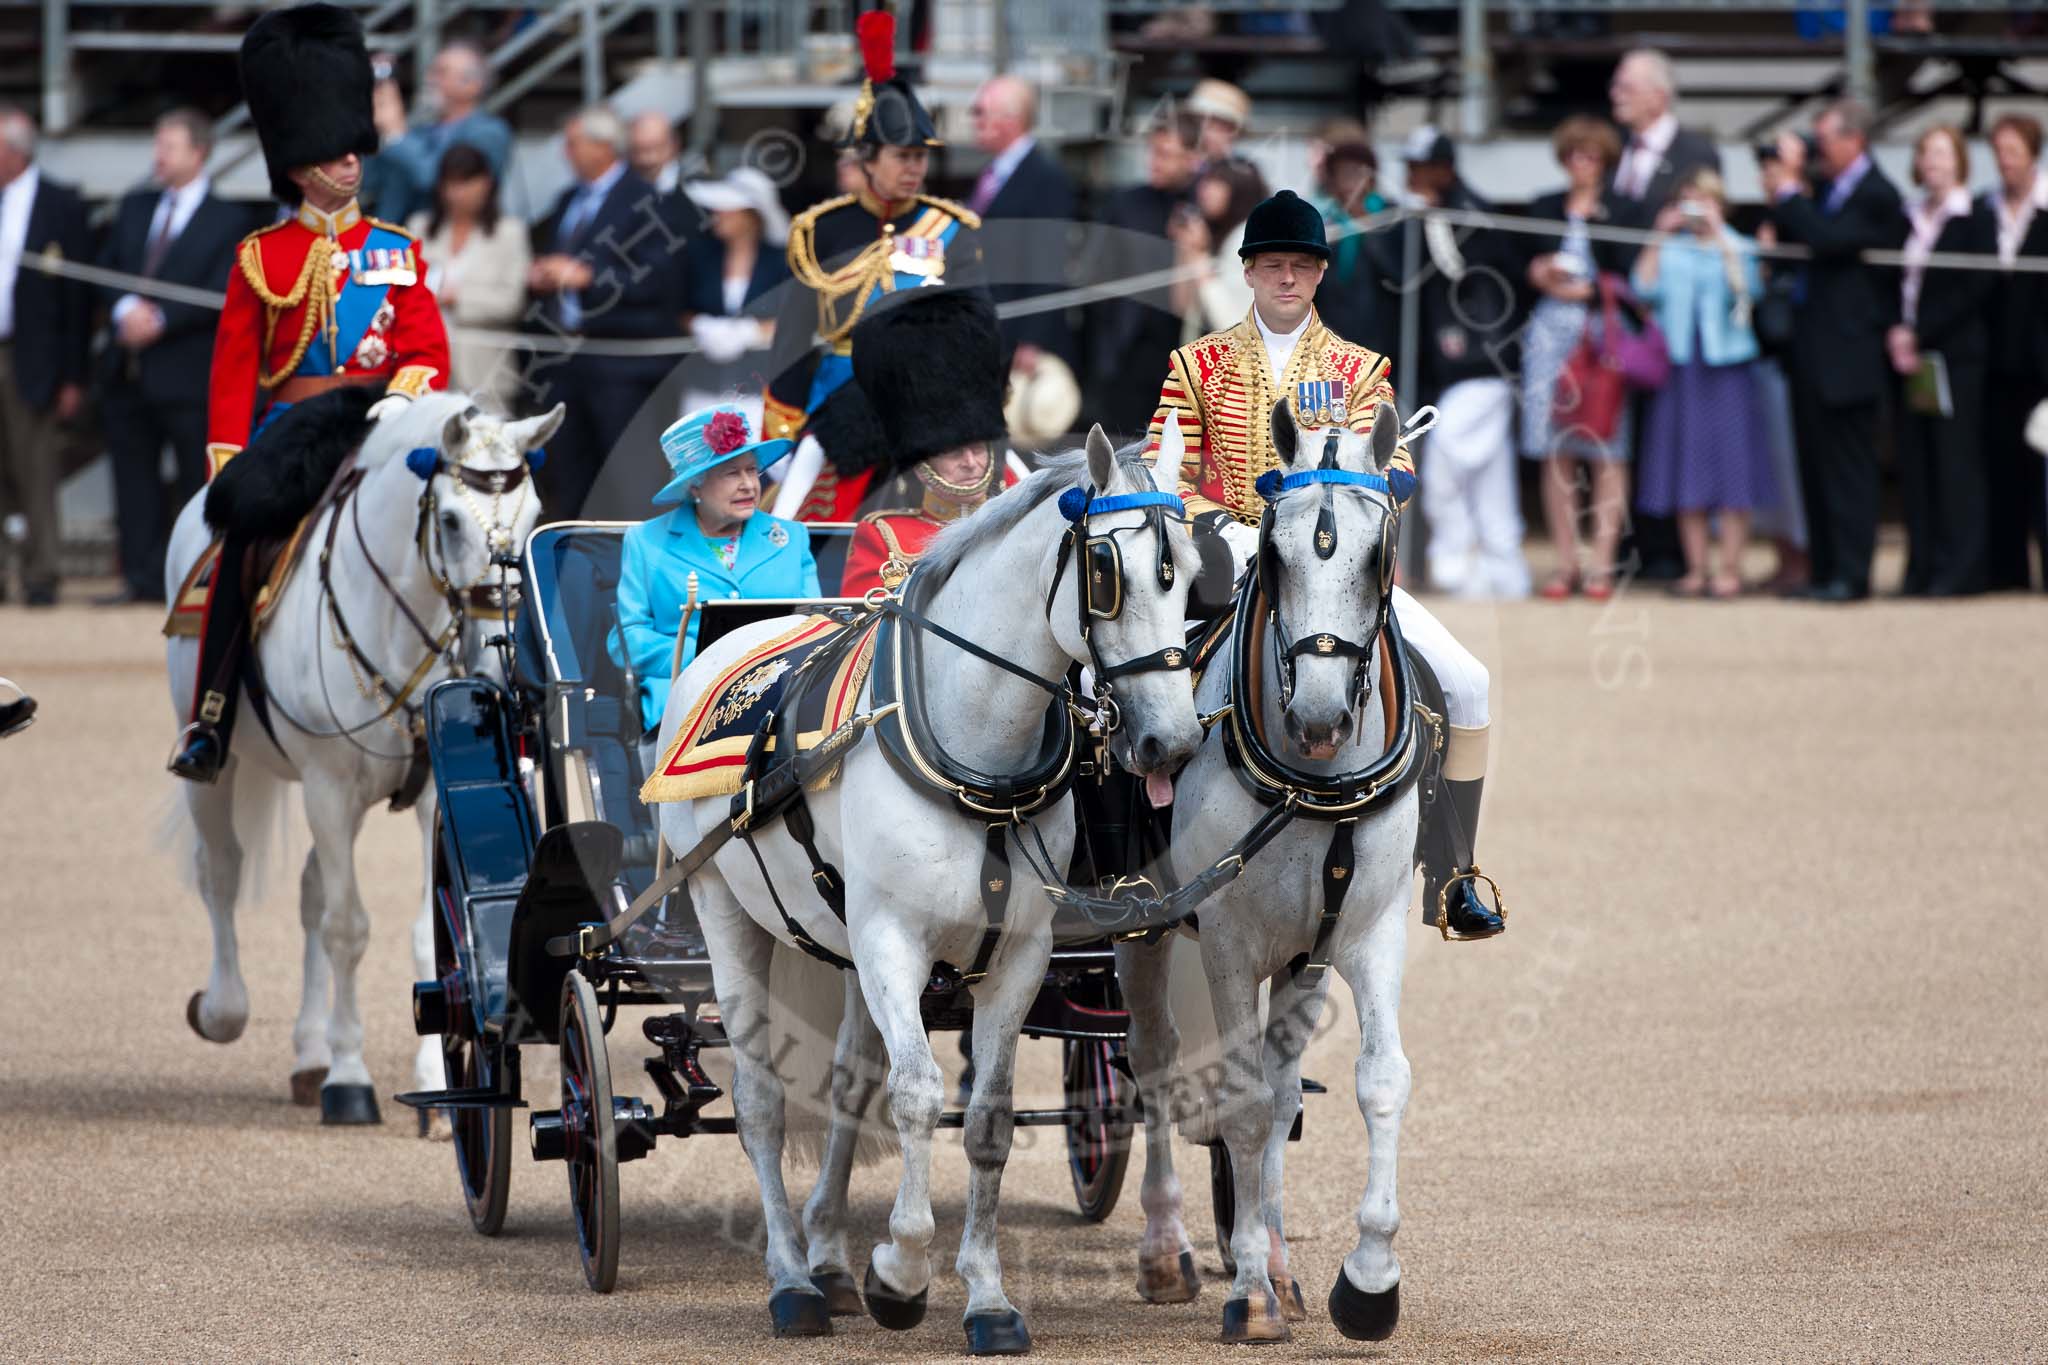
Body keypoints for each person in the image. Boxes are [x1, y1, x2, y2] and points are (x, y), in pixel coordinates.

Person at [1146, 188, 1505, 941]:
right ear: (1246, 272)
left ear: (1318, 275)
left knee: (1468, 683)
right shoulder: (1196, 363)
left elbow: (1398, 460)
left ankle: (1453, 874)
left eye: (1300, 266)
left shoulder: (1359, 367)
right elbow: (1164, 474)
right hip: (1227, 559)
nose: (1286, 279)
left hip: (1334, 572)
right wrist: (1226, 530)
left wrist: (1367, 496)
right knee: (1128, 690)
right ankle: (1141, 863)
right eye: (1272, 265)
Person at [169, 3, 452, 784]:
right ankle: (213, 717)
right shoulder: (261, 257)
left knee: (453, 536)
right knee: (242, 546)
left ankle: (453, 714)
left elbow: (427, 348)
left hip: (377, 420)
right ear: (299, 166)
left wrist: (399, 402)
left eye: (354, 148)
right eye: (334, 153)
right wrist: (229, 465)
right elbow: (232, 373)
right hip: (292, 429)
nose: (352, 163)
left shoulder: (396, 250)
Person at [762, 9, 984, 522]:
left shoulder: (954, 229)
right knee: (792, 518)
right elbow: (794, 343)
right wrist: (785, 430)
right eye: (901, 155)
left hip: (934, 406)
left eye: (920, 156)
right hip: (838, 407)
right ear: (866, 158)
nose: (915, 168)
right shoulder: (820, 231)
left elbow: (979, 333)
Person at [1365, 126, 1527, 599]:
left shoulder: (1475, 215)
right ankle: (1505, 574)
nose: (1413, 177)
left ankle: (1456, 565)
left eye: (1421, 168)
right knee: (1491, 481)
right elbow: (1401, 274)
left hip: (1484, 366)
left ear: (1445, 168)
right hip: (1451, 371)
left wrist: (1432, 222)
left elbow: (1461, 271)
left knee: (1444, 469)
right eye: (1409, 168)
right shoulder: (1418, 216)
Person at [95, 109, 246, 607]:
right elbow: (110, 265)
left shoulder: (230, 218)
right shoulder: (136, 206)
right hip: (129, 370)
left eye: (169, 146)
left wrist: (160, 319)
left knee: (191, 480)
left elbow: (219, 288)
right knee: (132, 479)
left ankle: (191, 579)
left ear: (198, 153)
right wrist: (123, 310)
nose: (158, 156)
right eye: (157, 145)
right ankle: (138, 577)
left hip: (187, 372)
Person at [1763, 98, 1906, 603]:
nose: (1815, 151)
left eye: (1822, 141)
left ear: (1854, 141)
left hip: (1850, 356)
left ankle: (1851, 573)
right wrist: (1787, 191)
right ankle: (1823, 571)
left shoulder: (1877, 194)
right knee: (1815, 465)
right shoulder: (1823, 189)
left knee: (1850, 469)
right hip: (1810, 352)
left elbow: (1828, 241)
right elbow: (1791, 236)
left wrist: (1789, 190)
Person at [608, 403, 813, 736]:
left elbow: (817, 623)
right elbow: (626, 638)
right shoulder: (646, 542)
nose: (749, 485)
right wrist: (704, 658)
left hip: (784, 697)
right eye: (732, 473)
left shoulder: (791, 538)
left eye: (752, 471)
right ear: (695, 486)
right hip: (685, 700)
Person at [526, 105, 685, 517]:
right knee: (568, 472)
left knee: (626, 475)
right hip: (567, 358)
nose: (566, 152)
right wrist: (547, 273)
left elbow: (658, 279)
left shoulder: (646, 200)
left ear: (602, 147)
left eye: (574, 143)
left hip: (622, 363)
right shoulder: (568, 200)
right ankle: (573, 563)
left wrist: (590, 277)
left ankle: (633, 566)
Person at [1631, 169, 1776, 599]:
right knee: (1686, 467)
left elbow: (1749, 290)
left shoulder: (1740, 245)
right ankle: (1696, 568)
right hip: (1679, 367)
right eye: (1687, 201)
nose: (1693, 209)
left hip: (1727, 366)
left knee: (1734, 466)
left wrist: (1722, 237)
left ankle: (1730, 568)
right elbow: (1643, 287)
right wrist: (1658, 236)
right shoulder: (1671, 249)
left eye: (1702, 200)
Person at [1607, 47, 1721, 585]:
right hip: (1622, 318)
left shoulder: (1697, 151)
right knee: (1626, 434)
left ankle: (1676, 553)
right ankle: (1642, 548)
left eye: (1626, 86)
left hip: (1674, 326)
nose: (1616, 95)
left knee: (1676, 436)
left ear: (1659, 93)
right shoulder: (1617, 155)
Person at [834, 290, 1014, 595]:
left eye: (979, 448)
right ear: (921, 466)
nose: (971, 462)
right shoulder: (885, 537)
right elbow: (866, 633)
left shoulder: (1019, 519)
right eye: (954, 451)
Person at [1521, 115, 1630, 599]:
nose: (1581, 165)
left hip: (1602, 334)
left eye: (1590, 156)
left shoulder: (1621, 210)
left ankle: (1602, 565)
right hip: (1550, 334)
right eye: (1573, 155)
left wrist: (1595, 290)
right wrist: (1539, 272)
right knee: (1555, 448)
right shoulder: (1543, 206)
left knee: (1608, 446)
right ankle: (1566, 563)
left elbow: (1633, 276)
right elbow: (1516, 263)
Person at [1891, 126, 1994, 597]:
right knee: (1918, 462)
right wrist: (1899, 332)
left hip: (1955, 355)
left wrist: (1919, 332)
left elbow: (1974, 291)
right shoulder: (1909, 216)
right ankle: (1923, 565)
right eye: (1925, 152)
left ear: (1959, 161)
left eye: (1941, 152)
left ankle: (1962, 567)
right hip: (1911, 359)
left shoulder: (1974, 217)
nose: (1931, 161)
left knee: (1957, 463)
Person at [0, 104, 90, 609]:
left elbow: (77, 303)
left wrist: (73, 375)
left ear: (14, 151)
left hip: (32, 357)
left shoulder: (60, 204)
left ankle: (42, 574)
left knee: (35, 468)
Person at [1083, 112, 1199, 440]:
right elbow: (1096, 273)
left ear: (1191, 158)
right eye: (1153, 152)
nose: (1155, 162)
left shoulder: (1204, 203)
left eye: (1166, 154)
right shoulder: (1126, 204)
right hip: (1129, 350)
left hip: (1185, 349)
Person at [967, 74, 1079, 375]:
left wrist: (1033, 339)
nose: (973, 120)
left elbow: (1049, 259)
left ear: (1011, 119)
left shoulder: (1044, 177)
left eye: (981, 111)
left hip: (1018, 337)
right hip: (988, 328)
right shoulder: (993, 172)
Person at [408, 142, 530, 411]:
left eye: (465, 183)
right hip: (427, 368)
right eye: (450, 184)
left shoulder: (509, 232)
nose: (457, 193)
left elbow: (511, 302)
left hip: (485, 375)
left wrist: (457, 297)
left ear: (486, 183)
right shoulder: (420, 227)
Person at [1981, 113, 2048, 591]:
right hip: (1997, 361)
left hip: (2041, 363)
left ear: (2033, 156)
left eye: (2013, 153)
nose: (2005, 162)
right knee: (2002, 467)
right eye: (2000, 153)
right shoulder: (1986, 210)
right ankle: (2007, 572)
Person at [365, 39, 513, 226]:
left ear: (472, 85)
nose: (430, 79)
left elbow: (439, 180)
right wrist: (371, 126)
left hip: (447, 242)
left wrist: (396, 134)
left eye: (441, 72)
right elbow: (368, 180)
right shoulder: (419, 132)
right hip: (392, 240)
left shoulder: (489, 132)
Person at [1177, 157, 1269, 335]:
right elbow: (1183, 307)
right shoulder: (1214, 235)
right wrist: (1187, 250)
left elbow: (1230, 323)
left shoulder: (1248, 239)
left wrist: (1199, 258)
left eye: (1218, 182)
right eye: (1205, 181)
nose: (1205, 190)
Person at [1184, 77, 1251, 168]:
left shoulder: (1241, 172)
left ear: (1233, 131)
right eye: (1194, 121)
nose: (1200, 130)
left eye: (1212, 125)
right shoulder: (1174, 171)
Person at [627, 110, 691, 194]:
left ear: (674, 145)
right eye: (638, 151)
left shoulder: (696, 189)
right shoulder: (620, 189)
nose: (646, 160)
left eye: (655, 149)